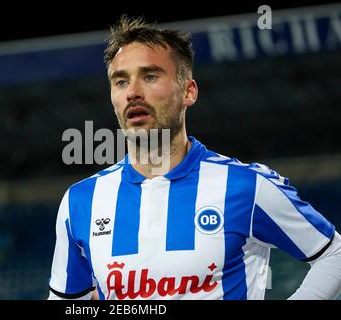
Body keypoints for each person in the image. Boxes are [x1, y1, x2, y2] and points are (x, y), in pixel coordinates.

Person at [48, 15, 341, 300]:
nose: (133, 93)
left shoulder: (245, 186)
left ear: (188, 91)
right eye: (121, 82)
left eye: (150, 76)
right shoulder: (80, 202)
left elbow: (334, 254)